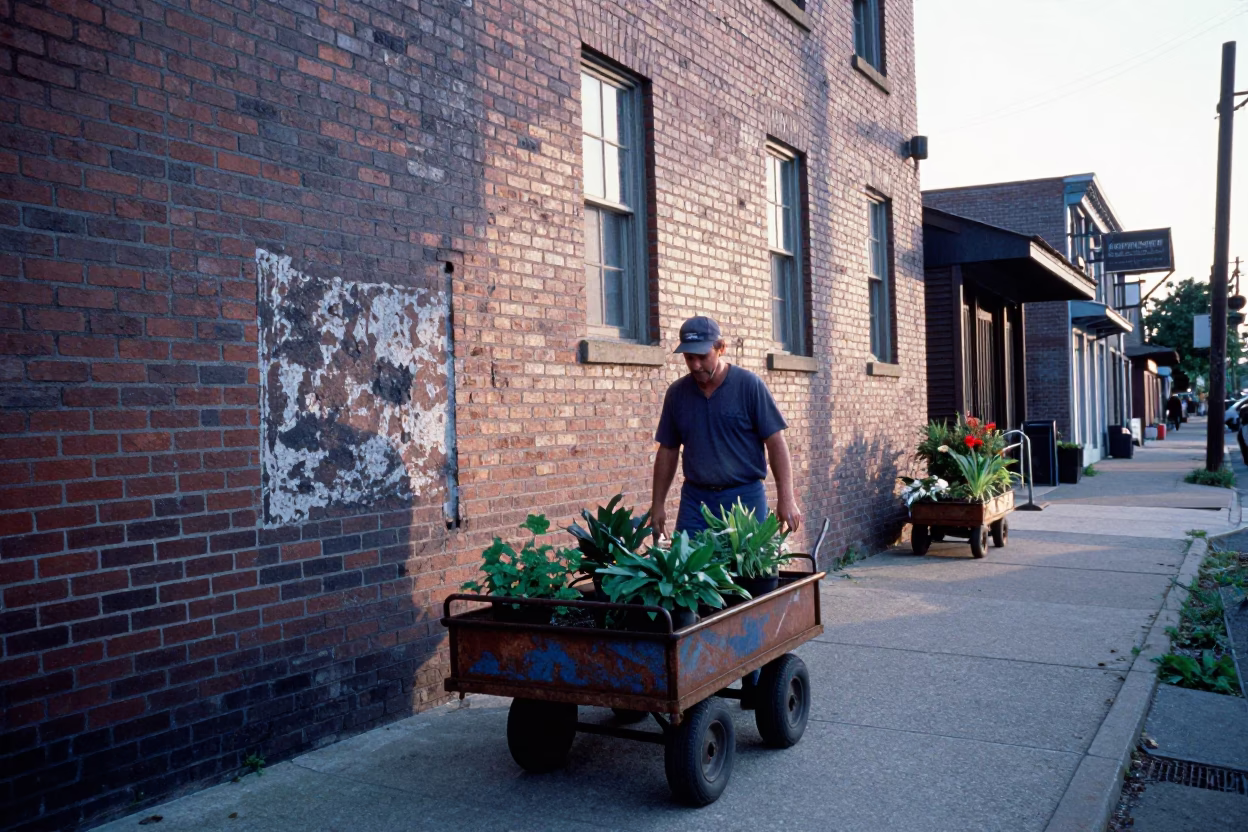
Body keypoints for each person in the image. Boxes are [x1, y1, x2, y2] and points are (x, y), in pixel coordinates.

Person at [650, 315, 802, 539]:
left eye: (702, 356)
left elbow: (776, 442)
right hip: (696, 502)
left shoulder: (749, 386)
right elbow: (668, 450)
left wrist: (786, 498)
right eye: (689, 357)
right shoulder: (677, 394)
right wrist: (658, 504)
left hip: (744, 498)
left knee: (755, 571)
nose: (695, 365)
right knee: (687, 570)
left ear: (720, 348)